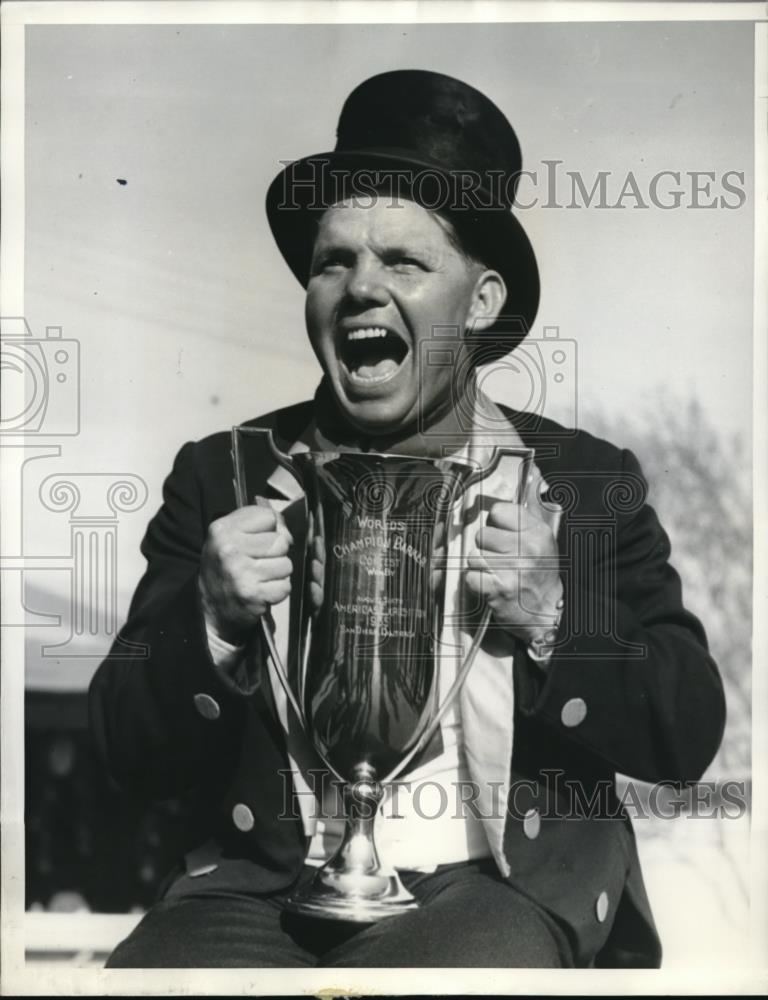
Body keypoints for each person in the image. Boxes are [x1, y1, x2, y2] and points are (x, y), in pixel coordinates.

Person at [89, 70, 725, 969]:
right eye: (333, 260)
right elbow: (124, 750)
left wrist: (555, 616)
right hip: (259, 897)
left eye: (404, 262)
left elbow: (687, 734)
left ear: (482, 303)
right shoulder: (222, 474)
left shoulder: (585, 482)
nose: (359, 289)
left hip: (490, 892)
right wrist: (211, 622)